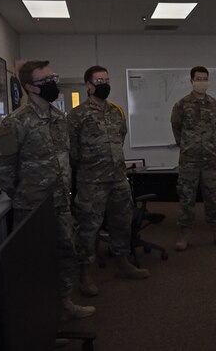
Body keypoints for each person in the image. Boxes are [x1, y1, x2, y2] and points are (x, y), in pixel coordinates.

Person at [0, 60, 95, 321]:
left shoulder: (59, 118)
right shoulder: (15, 122)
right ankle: (39, 320)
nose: (53, 83)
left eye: (53, 77)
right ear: (30, 88)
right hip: (31, 208)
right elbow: (3, 169)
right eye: (46, 80)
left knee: (66, 253)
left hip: (60, 203)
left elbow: (66, 158)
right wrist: (22, 196)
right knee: (35, 264)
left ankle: (64, 303)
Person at [68, 65, 150, 297]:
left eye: (106, 79)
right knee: (88, 228)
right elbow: (72, 151)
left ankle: (122, 261)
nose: (104, 83)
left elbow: (120, 138)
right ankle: (84, 273)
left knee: (122, 222)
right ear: (88, 85)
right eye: (99, 80)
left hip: (117, 178)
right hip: (91, 181)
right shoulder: (77, 116)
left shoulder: (116, 112)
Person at [170, 66, 216, 251]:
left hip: (210, 159)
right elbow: (176, 127)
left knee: (213, 196)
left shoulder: (214, 104)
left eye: (204, 78)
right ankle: (184, 235)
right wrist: (188, 145)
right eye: (198, 78)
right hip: (189, 160)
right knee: (186, 198)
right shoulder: (181, 105)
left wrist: (206, 143)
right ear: (191, 81)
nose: (202, 82)